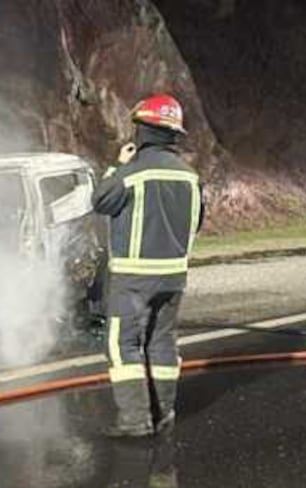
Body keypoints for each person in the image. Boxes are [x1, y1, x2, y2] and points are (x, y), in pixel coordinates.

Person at [91, 94, 204, 437]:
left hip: (133, 278)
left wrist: (118, 166)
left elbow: (100, 201)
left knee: (122, 344)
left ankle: (134, 421)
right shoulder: (190, 177)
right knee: (162, 342)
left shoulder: (133, 174)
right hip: (174, 277)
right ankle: (163, 413)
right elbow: (196, 223)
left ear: (142, 130)